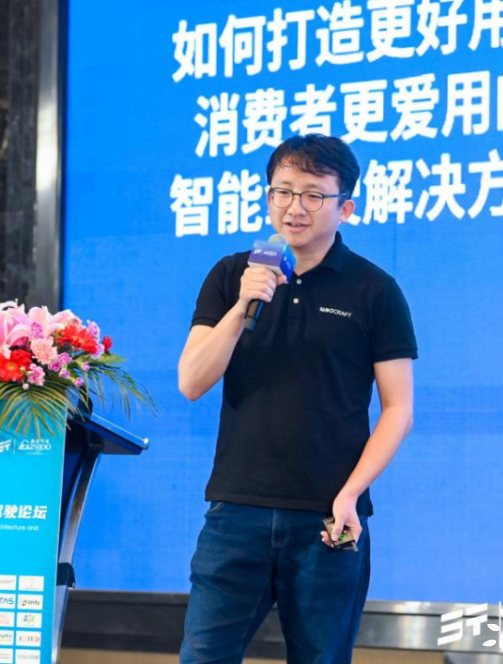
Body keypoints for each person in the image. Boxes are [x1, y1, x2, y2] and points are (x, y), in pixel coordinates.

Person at [177, 134, 417, 664]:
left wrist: (351, 494)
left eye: (313, 194)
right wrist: (242, 305)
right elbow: (191, 381)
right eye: (283, 191)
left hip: (329, 516)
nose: (295, 207)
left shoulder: (375, 290)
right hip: (236, 511)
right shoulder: (233, 275)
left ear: (345, 207)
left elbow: (398, 409)